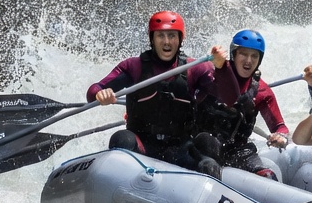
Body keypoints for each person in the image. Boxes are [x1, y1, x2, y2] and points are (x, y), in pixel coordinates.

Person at [87, 10, 227, 177]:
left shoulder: (195, 68)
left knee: (209, 158)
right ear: (152, 38)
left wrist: (221, 68)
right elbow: (95, 89)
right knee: (121, 139)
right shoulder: (134, 66)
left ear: (180, 39)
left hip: (180, 148)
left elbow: (224, 94)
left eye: (172, 36)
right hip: (143, 145)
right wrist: (100, 94)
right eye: (160, 36)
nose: (166, 41)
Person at [195, 29, 297, 179]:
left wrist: (281, 137)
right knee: (208, 147)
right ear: (233, 55)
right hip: (202, 144)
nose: (249, 60)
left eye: (254, 56)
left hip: (238, 150)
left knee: (268, 176)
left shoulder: (262, 91)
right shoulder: (209, 75)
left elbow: (279, 127)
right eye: (243, 54)